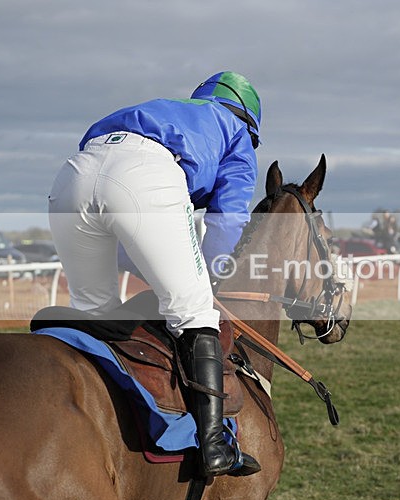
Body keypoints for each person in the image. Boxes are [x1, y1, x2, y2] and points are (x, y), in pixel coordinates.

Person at [48, 71, 262, 478]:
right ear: (250, 122)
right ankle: (215, 444)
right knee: (195, 310)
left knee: (97, 312)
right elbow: (228, 218)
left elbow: (130, 249)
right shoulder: (236, 132)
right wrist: (209, 276)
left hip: (74, 174)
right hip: (143, 174)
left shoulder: (167, 110)